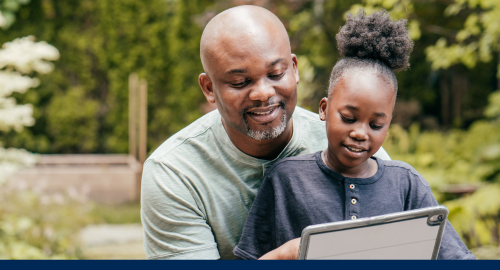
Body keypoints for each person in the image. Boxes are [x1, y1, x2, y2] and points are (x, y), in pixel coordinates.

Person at [140, 5, 390, 260]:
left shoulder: (354, 145)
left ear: (294, 69)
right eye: (240, 82)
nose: (263, 93)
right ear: (209, 88)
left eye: (276, 74)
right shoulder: (174, 173)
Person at [233, 9, 476, 260]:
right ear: (324, 109)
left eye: (376, 125)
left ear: (389, 125)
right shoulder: (286, 180)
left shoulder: (405, 184)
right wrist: (288, 252)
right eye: (348, 118)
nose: (360, 133)